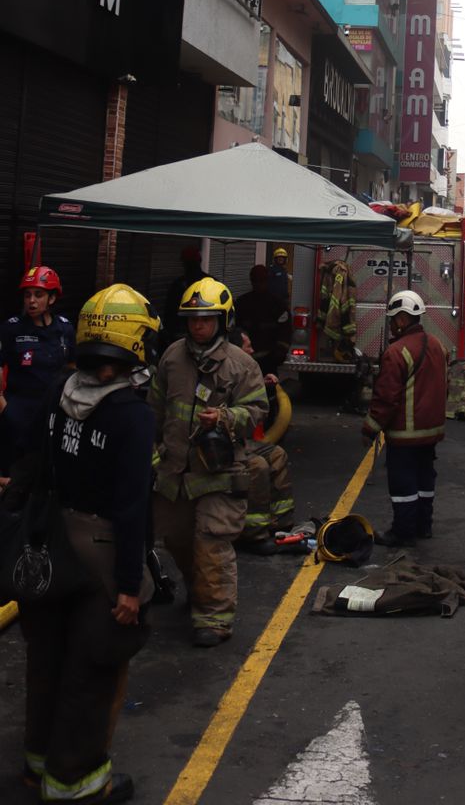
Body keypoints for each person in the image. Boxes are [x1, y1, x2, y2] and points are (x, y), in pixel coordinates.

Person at [17, 283, 159, 804]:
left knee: (46, 657)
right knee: (91, 668)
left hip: (49, 545)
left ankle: (37, 763)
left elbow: (30, 458)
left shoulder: (59, 391)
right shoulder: (131, 415)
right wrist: (128, 586)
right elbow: (129, 506)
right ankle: (75, 783)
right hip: (100, 552)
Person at [150, 277, 267, 646]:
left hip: (219, 471)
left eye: (206, 318)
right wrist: (152, 452)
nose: (198, 325)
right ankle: (199, 590)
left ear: (223, 320)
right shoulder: (171, 357)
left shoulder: (241, 365)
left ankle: (214, 619)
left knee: (211, 543)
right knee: (179, 541)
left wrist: (227, 418)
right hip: (175, 474)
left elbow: (258, 410)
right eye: (192, 319)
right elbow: (155, 409)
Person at [362, 290, 448, 546]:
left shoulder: (396, 352)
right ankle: (424, 525)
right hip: (431, 431)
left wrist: (370, 428)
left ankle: (403, 531)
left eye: (392, 320)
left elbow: (386, 398)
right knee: (424, 478)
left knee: (403, 482)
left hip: (405, 434)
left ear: (401, 319)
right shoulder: (438, 345)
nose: (391, 325)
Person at [0, 266, 75, 474]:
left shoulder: (65, 329)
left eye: (38, 295)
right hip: (18, 412)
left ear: (51, 299)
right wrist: (4, 407)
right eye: (27, 295)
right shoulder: (11, 328)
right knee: (12, 472)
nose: (31, 301)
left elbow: (71, 367)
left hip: (53, 412)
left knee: (45, 470)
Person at [233, 329, 294, 553]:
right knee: (258, 465)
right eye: (247, 346)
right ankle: (254, 534)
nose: (252, 350)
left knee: (277, 455)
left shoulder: (248, 372)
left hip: (244, 441)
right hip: (227, 443)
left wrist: (266, 387)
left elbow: (259, 412)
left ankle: (281, 525)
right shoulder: (224, 373)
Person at [234, 264, 292, 373]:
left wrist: (279, 354)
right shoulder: (242, 303)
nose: (259, 284)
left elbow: (285, 331)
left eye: (262, 281)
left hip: (269, 360)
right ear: (252, 281)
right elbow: (235, 329)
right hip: (245, 360)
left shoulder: (278, 305)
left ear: (267, 281)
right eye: (256, 281)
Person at [161, 245, 203, 349]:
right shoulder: (178, 285)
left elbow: (169, 313)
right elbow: (169, 313)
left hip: (182, 334)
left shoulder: (178, 284)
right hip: (181, 334)